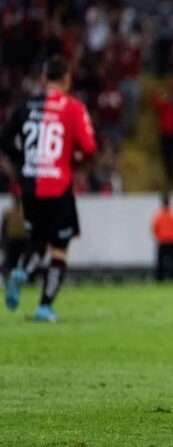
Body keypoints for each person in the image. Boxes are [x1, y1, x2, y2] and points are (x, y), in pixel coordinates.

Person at [0, 56, 96, 322]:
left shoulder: (25, 107)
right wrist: (75, 159)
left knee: (37, 241)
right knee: (59, 248)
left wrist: (23, 163)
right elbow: (89, 148)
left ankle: (21, 270)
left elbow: (5, 140)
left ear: (43, 80)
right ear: (66, 79)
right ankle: (44, 306)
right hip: (58, 184)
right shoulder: (73, 108)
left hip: (30, 186)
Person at [152, 192, 173, 281]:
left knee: (160, 264)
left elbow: (154, 228)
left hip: (162, 242)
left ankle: (159, 279)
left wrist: (159, 237)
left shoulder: (158, 216)